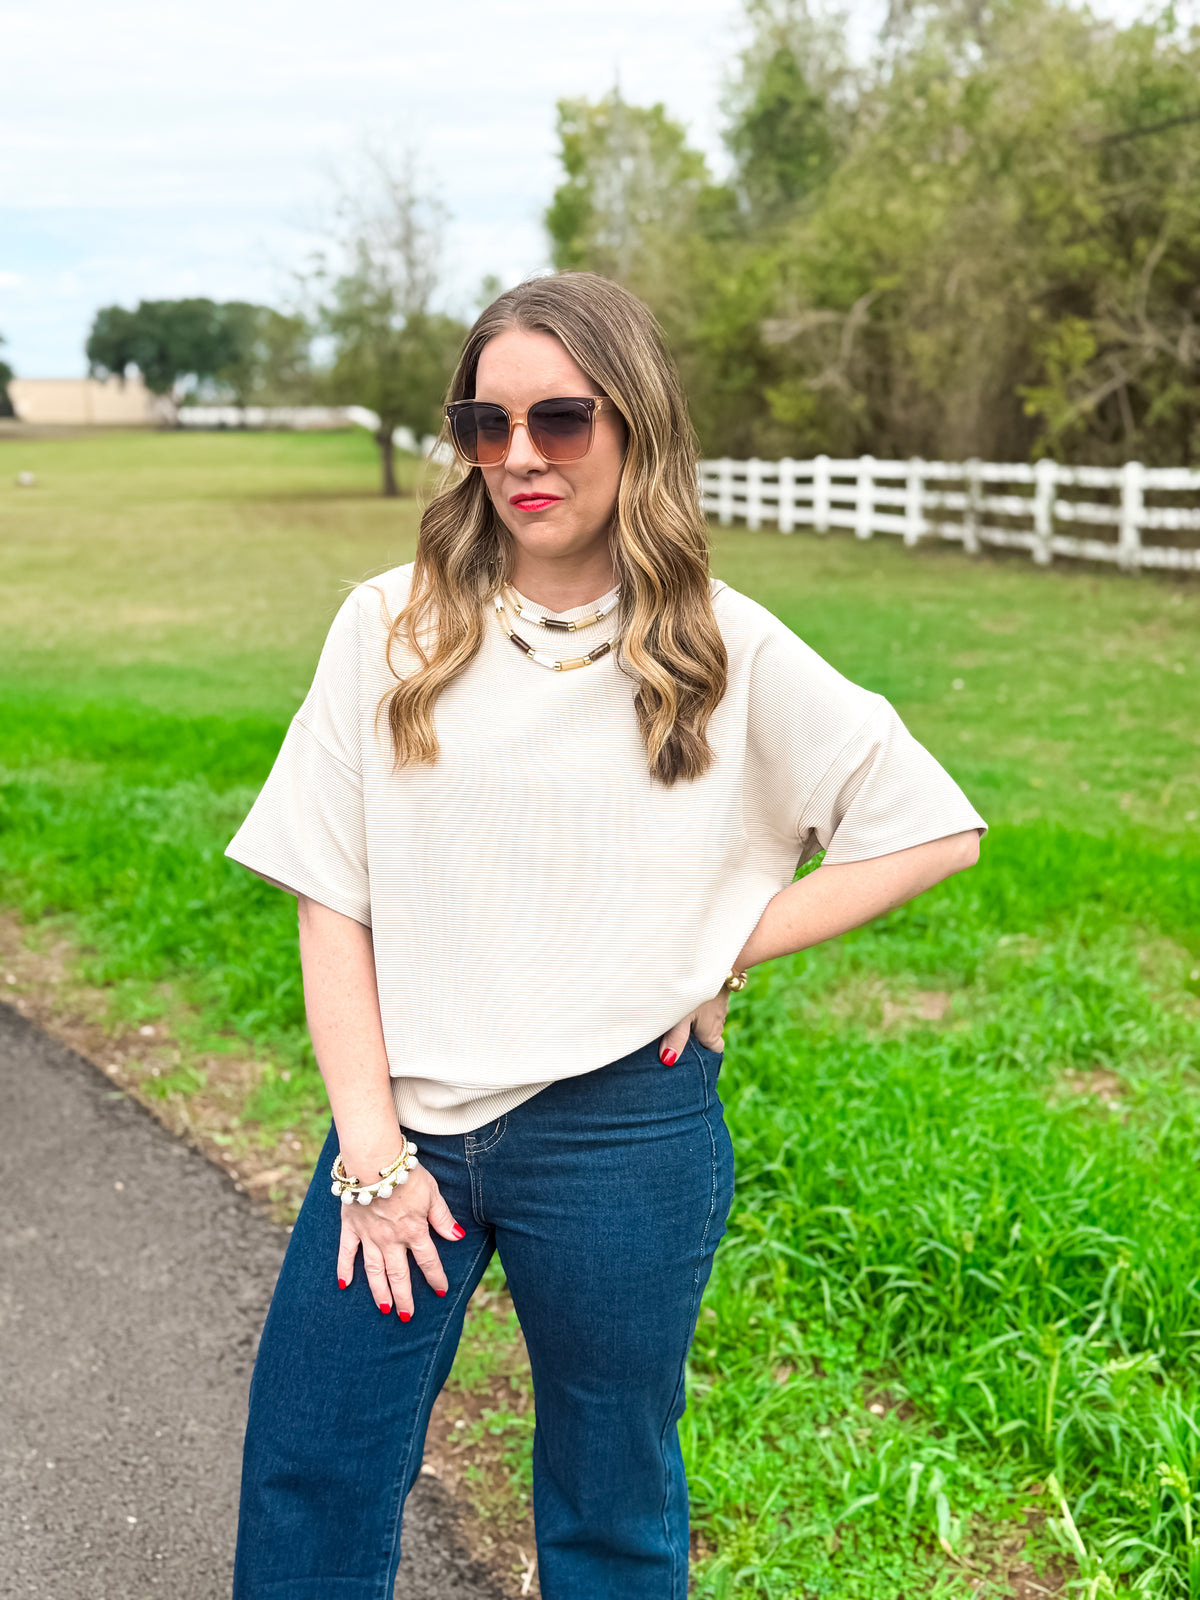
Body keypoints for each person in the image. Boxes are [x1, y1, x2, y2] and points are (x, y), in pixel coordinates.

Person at [225, 271, 985, 1600]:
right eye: (487, 423)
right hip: (404, 1136)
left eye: (561, 419)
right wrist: (371, 1152)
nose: (521, 455)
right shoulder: (389, 628)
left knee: (611, 1508)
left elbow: (931, 826)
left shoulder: (722, 647)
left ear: (635, 424)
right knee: (311, 1466)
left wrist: (723, 947)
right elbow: (329, 896)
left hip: (624, 1135)